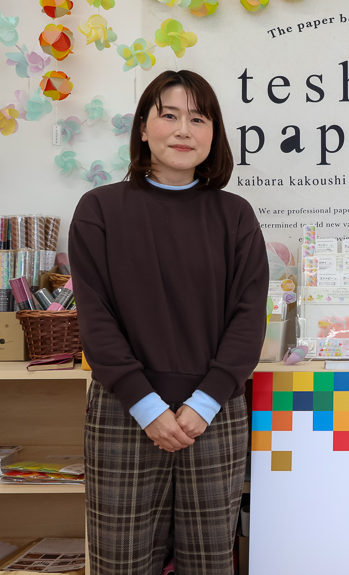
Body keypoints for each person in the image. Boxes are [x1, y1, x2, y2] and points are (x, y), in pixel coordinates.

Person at [70, 69, 268, 575]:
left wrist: (204, 403)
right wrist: (145, 404)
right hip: (124, 411)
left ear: (214, 134)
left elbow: (248, 318)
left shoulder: (236, 216)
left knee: (210, 562)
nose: (183, 130)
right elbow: (96, 317)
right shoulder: (99, 210)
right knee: (120, 562)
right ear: (142, 127)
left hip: (213, 415)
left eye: (198, 119)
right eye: (169, 115)